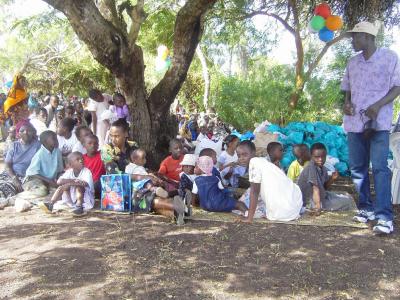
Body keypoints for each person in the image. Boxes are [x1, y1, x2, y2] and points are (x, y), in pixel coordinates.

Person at [342, 21, 400, 234]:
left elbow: (398, 86)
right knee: (358, 168)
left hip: (379, 123)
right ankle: (366, 208)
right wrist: (346, 103)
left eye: (355, 36)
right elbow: (346, 88)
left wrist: (377, 105)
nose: (352, 41)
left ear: (367, 37)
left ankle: (384, 216)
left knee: (380, 169)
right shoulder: (352, 62)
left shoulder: (389, 57)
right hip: (354, 123)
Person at [241, 140, 303, 223]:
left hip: (282, 213)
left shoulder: (254, 162)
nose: (241, 158)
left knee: (246, 203)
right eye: (239, 156)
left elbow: (255, 192)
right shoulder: (263, 161)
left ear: (253, 152)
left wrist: (249, 218)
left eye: (244, 155)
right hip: (293, 207)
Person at [297, 143, 356, 213]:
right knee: (347, 202)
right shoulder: (311, 168)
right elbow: (315, 188)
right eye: (317, 157)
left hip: (321, 195)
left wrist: (332, 179)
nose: (320, 159)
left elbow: (324, 187)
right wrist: (318, 208)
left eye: (323, 157)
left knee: (347, 197)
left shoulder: (323, 168)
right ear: (311, 156)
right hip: (311, 202)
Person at [0, 122, 40, 200]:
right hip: (11, 174)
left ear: (33, 133)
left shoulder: (38, 146)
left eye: (29, 131)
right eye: (22, 131)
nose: (26, 133)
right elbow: (7, 165)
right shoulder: (14, 145)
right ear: (18, 134)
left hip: (25, 177)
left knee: (5, 189)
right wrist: (14, 178)